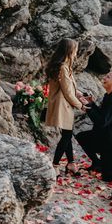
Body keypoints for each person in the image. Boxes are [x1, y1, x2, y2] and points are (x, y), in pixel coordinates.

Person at [76, 67, 112, 182]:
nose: (104, 78)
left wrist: (88, 107)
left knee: (107, 177)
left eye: (108, 77)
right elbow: (103, 115)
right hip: (105, 138)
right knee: (82, 137)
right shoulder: (110, 95)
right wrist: (91, 103)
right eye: (106, 75)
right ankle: (97, 163)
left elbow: (101, 122)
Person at [45, 38, 85, 177]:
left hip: (64, 104)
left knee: (67, 134)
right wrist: (81, 105)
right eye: (75, 50)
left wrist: (79, 94)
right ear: (69, 51)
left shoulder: (65, 65)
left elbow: (69, 87)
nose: (76, 53)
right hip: (63, 105)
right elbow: (67, 92)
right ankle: (55, 165)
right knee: (66, 136)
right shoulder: (62, 67)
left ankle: (71, 164)